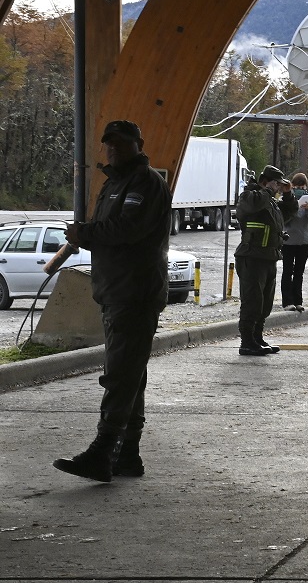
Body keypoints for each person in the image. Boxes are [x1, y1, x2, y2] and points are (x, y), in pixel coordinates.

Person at [54, 120, 170, 482]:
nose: (113, 148)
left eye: (121, 142)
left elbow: (128, 229)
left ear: (139, 143)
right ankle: (127, 456)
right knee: (130, 376)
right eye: (109, 143)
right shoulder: (115, 183)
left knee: (121, 376)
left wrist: (85, 234)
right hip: (116, 290)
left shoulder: (145, 183)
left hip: (134, 292)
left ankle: (103, 452)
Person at [234, 165, 298, 356]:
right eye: (276, 184)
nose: (278, 188)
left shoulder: (269, 202)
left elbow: (287, 214)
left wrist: (288, 195)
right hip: (251, 257)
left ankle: (257, 338)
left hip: (268, 257)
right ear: (265, 181)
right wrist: (268, 190)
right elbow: (251, 206)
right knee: (252, 302)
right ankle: (246, 341)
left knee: (264, 303)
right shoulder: (250, 195)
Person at [281, 172, 308, 312]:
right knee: (287, 271)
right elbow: (283, 220)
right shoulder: (284, 199)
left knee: (299, 272)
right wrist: (293, 208)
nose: (299, 189)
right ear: (292, 186)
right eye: (296, 186)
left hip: (305, 241)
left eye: (302, 187)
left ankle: (298, 301)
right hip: (288, 241)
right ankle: (287, 302)